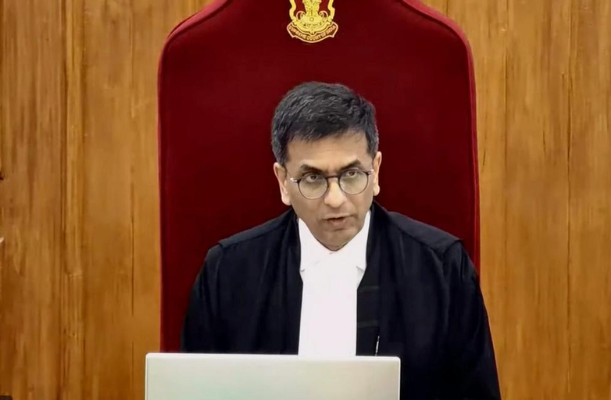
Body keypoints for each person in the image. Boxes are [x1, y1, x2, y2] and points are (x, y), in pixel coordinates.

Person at [181, 82, 501, 400]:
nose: (335, 199)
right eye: (313, 178)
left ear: (375, 171)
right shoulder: (227, 273)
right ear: (283, 182)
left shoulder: (443, 269)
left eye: (351, 175)